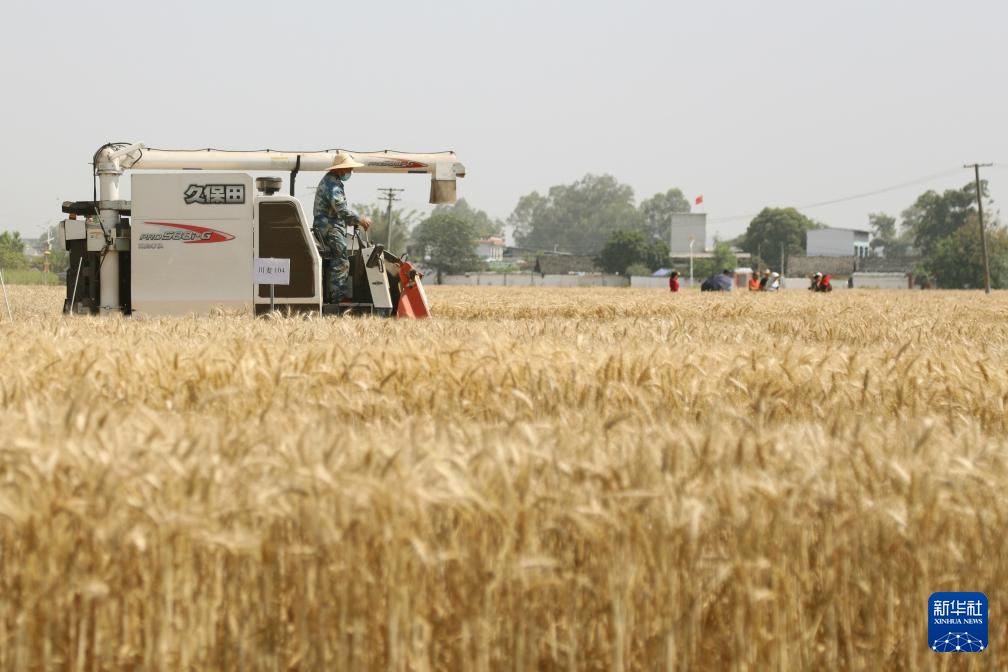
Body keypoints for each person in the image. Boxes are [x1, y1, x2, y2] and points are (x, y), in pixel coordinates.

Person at [313, 152, 372, 303]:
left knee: (339, 259)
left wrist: (352, 221)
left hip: (328, 226)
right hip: (330, 228)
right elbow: (341, 209)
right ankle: (336, 300)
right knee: (341, 261)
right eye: (349, 169)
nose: (350, 172)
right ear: (340, 169)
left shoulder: (331, 181)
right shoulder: (332, 184)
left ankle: (335, 296)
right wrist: (360, 220)